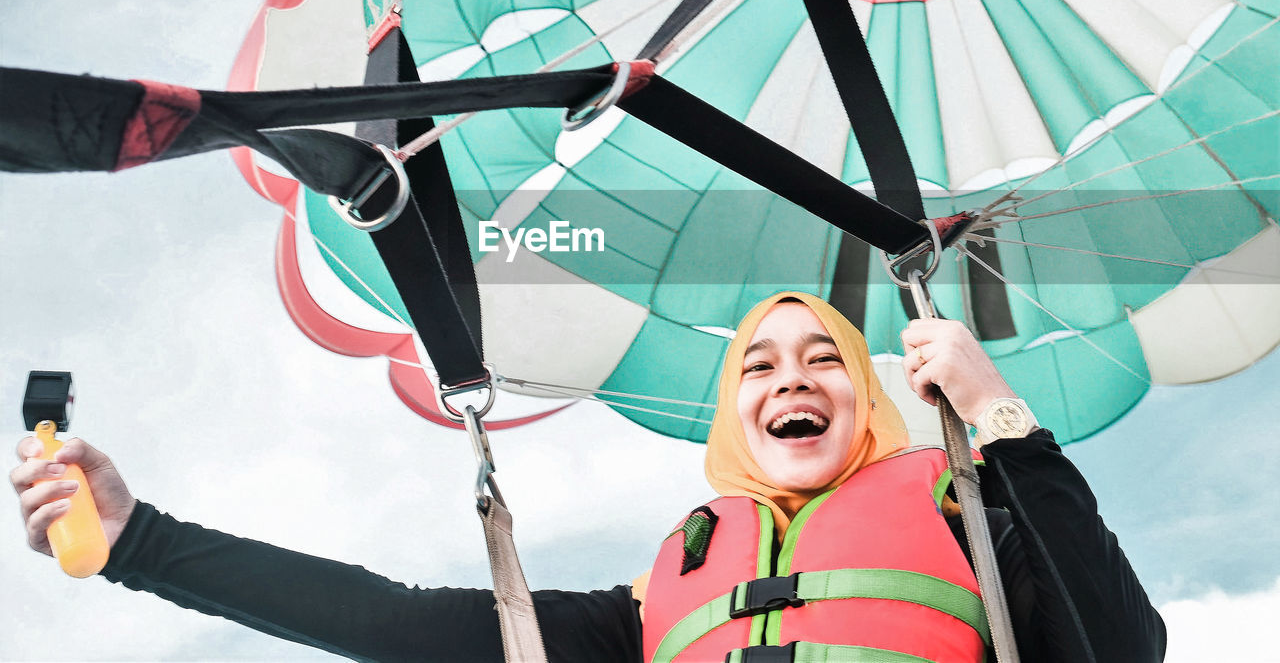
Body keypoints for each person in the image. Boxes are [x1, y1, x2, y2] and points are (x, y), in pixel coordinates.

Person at [11, 291, 1166, 662]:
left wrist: (993, 420)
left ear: (870, 401)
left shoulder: (973, 531)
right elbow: (395, 622)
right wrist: (141, 541)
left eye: (825, 359)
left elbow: (1121, 647)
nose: (790, 379)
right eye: (757, 365)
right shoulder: (663, 591)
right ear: (734, 416)